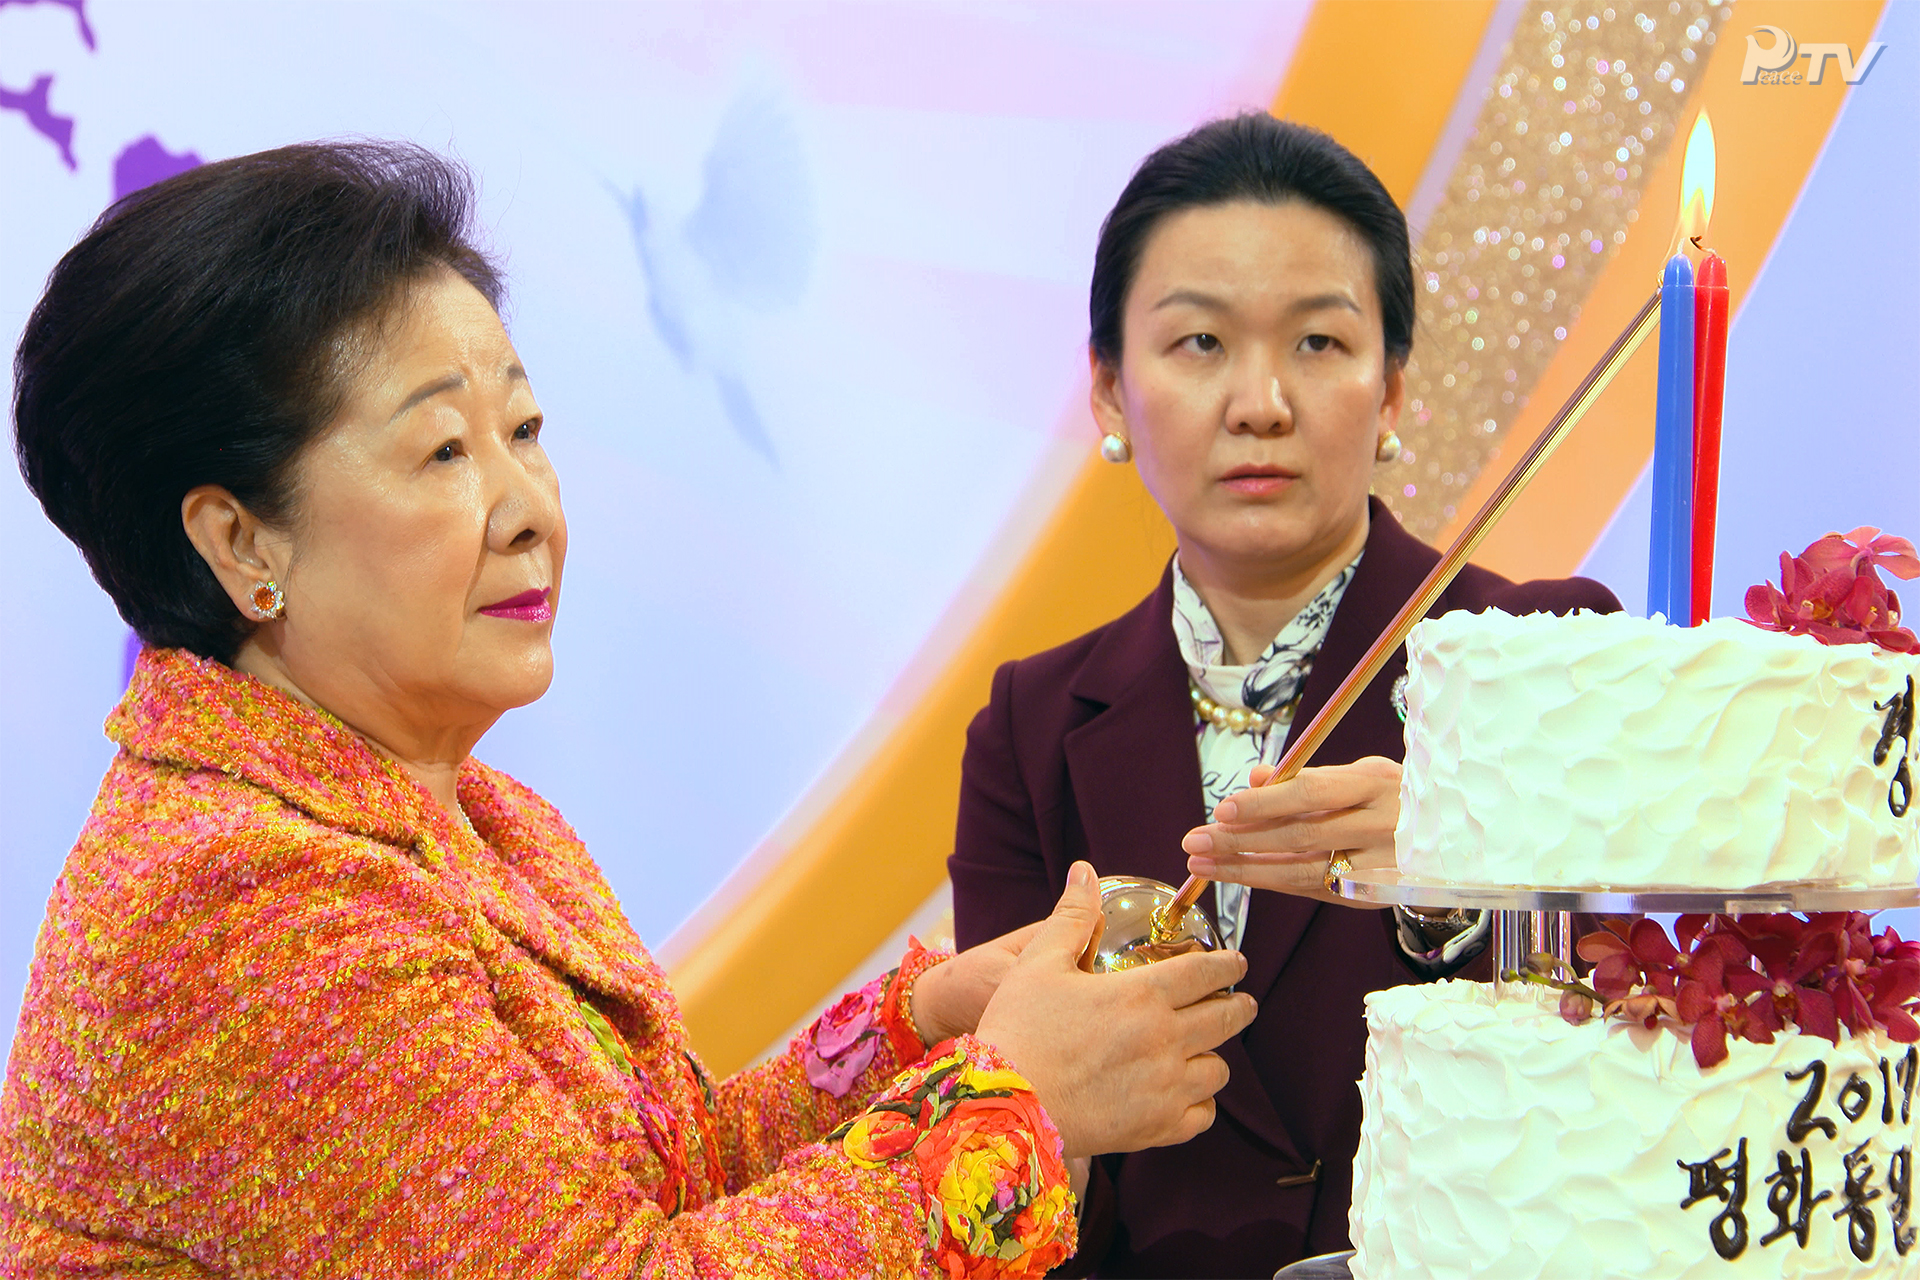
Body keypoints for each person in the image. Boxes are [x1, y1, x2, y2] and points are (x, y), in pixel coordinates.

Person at [0, 142, 1258, 1278]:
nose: (531, 505)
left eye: (526, 428)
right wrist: (1012, 1106)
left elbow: (660, 1188)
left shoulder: (472, 813)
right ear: (237, 540)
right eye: (444, 452)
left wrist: (926, 1027)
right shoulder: (242, 909)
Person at [948, 115, 1622, 1278]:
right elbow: (1008, 1147)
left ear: (1394, 387)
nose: (1259, 401)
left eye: (1317, 343)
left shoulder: (1540, 650)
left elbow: (1630, 1055)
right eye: (1200, 342)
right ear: (1110, 392)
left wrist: (1462, 868)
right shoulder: (1031, 724)